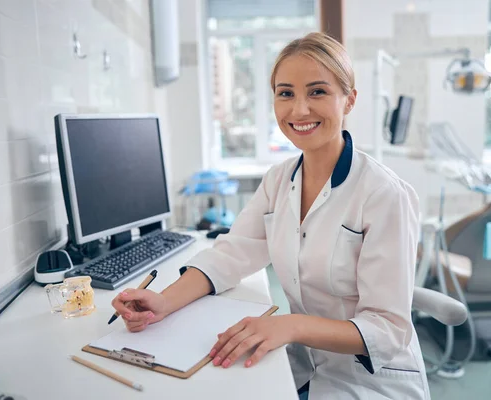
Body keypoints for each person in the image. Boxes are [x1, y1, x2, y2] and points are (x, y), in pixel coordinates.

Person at [112, 32, 430, 400]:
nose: (299, 110)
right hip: (302, 366)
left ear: (350, 100)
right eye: (285, 93)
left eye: (317, 92)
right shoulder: (278, 181)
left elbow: (388, 331)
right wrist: (163, 303)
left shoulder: (384, 194)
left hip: (370, 380)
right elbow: (230, 254)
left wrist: (292, 326)